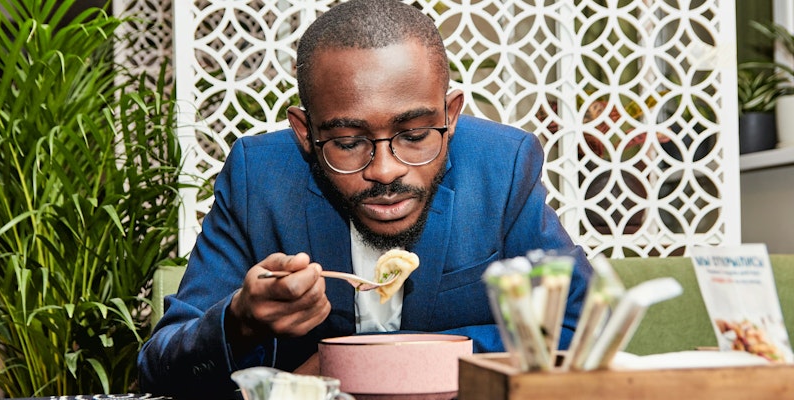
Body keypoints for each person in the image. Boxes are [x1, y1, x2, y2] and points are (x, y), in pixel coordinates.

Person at [138, 0, 593, 397]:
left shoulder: (501, 166)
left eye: (414, 135)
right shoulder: (258, 178)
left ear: (451, 115)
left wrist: (361, 363)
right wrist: (240, 321)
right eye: (348, 142)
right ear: (305, 133)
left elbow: (582, 331)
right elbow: (159, 368)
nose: (385, 170)